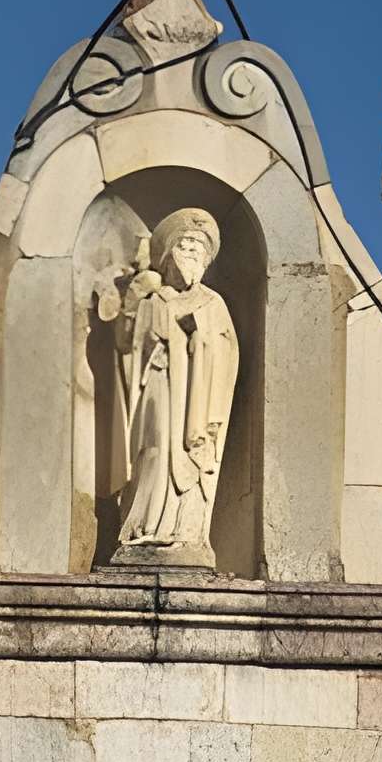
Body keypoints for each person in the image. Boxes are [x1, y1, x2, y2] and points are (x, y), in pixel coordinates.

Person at [105, 207, 240, 566]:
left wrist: (201, 337)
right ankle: (143, 526)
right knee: (153, 452)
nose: (192, 251)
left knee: (188, 459)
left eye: (199, 247)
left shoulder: (212, 303)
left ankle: (186, 533)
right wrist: (132, 304)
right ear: (168, 254)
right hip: (158, 388)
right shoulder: (154, 299)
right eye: (185, 244)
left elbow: (227, 354)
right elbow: (126, 345)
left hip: (196, 398)